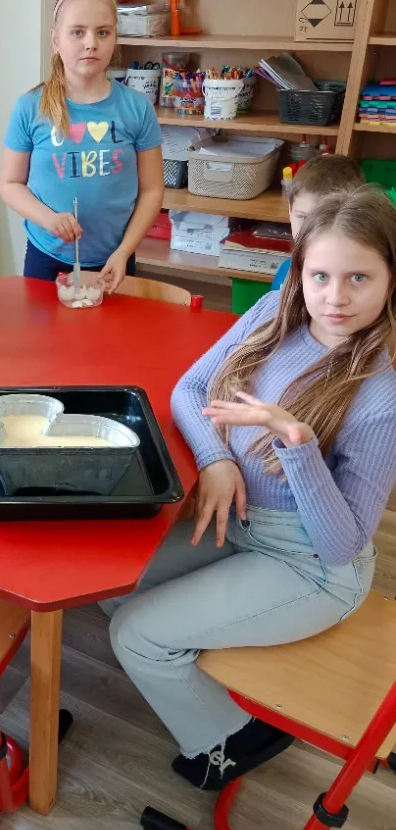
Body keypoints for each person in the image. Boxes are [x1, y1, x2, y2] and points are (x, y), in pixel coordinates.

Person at [103, 188, 396, 792]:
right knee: (110, 582)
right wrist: (216, 460)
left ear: (391, 279)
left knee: (134, 633)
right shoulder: (274, 313)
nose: (335, 297)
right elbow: (191, 390)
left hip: (312, 567)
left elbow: (341, 546)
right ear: (300, 271)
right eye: (320, 276)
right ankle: (208, 671)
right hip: (238, 523)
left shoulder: (382, 394)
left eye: (359, 278)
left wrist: (295, 441)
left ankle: (227, 741)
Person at [0, 0, 164, 293]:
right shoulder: (30, 107)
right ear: (55, 40)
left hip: (114, 259)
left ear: (115, 38)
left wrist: (124, 251)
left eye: (103, 32)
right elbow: (10, 184)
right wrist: (48, 219)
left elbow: (152, 190)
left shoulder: (137, 107)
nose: (91, 43)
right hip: (46, 257)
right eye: (77, 32)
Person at [272, 153, 363, 290]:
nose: (311, 232)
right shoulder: (286, 271)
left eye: (326, 219)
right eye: (303, 217)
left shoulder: (360, 276)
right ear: (290, 210)